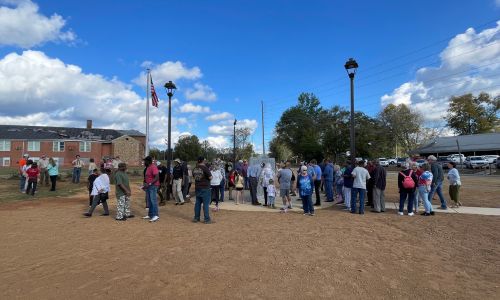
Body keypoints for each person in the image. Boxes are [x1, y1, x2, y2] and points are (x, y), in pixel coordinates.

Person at [192, 156, 213, 224]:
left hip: (197, 188)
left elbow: (194, 177)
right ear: (203, 161)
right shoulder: (205, 168)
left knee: (197, 203)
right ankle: (207, 219)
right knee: (205, 204)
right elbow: (210, 177)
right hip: (205, 188)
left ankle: (196, 218)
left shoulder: (195, 168)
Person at [143, 156, 160, 222]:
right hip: (149, 186)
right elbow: (147, 177)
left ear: (148, 161)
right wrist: (145, 185)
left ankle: (156, 215)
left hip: (153, 186)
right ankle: (150, 214)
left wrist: (149, 183)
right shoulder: (148, 167)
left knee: (153, 201)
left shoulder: (153, 167)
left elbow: (156, 177)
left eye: (145, 161)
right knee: (149, 201)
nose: (144, 162)